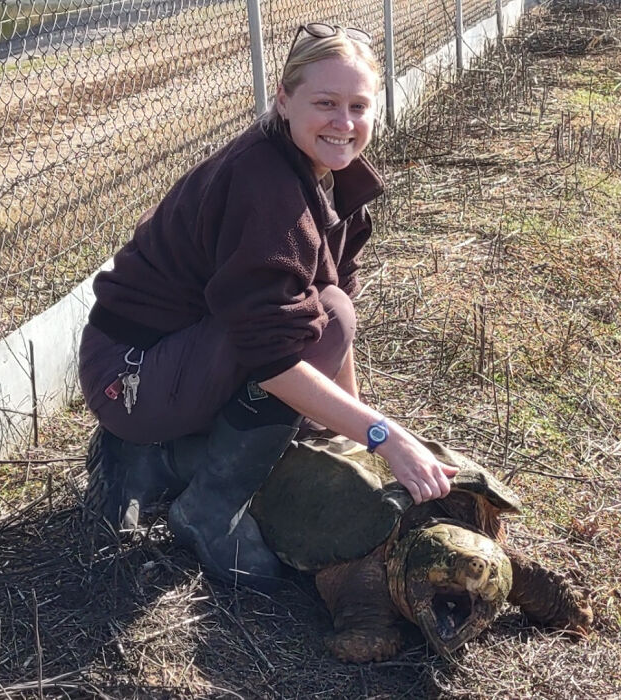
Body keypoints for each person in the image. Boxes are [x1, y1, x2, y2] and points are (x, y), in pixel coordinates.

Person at [79, 22, 458, 590]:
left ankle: (152, 463)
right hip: (129, 374)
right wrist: (385, 435)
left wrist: (351, 427)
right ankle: (209, 509)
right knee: (309, 330)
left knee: (327, 321)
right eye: (325, 102)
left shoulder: (333, 178)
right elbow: (272, 352)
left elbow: (336, 319)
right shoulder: (264, 186)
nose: (344, 122)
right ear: (283, 99)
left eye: (358, 105)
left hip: (183, 356)